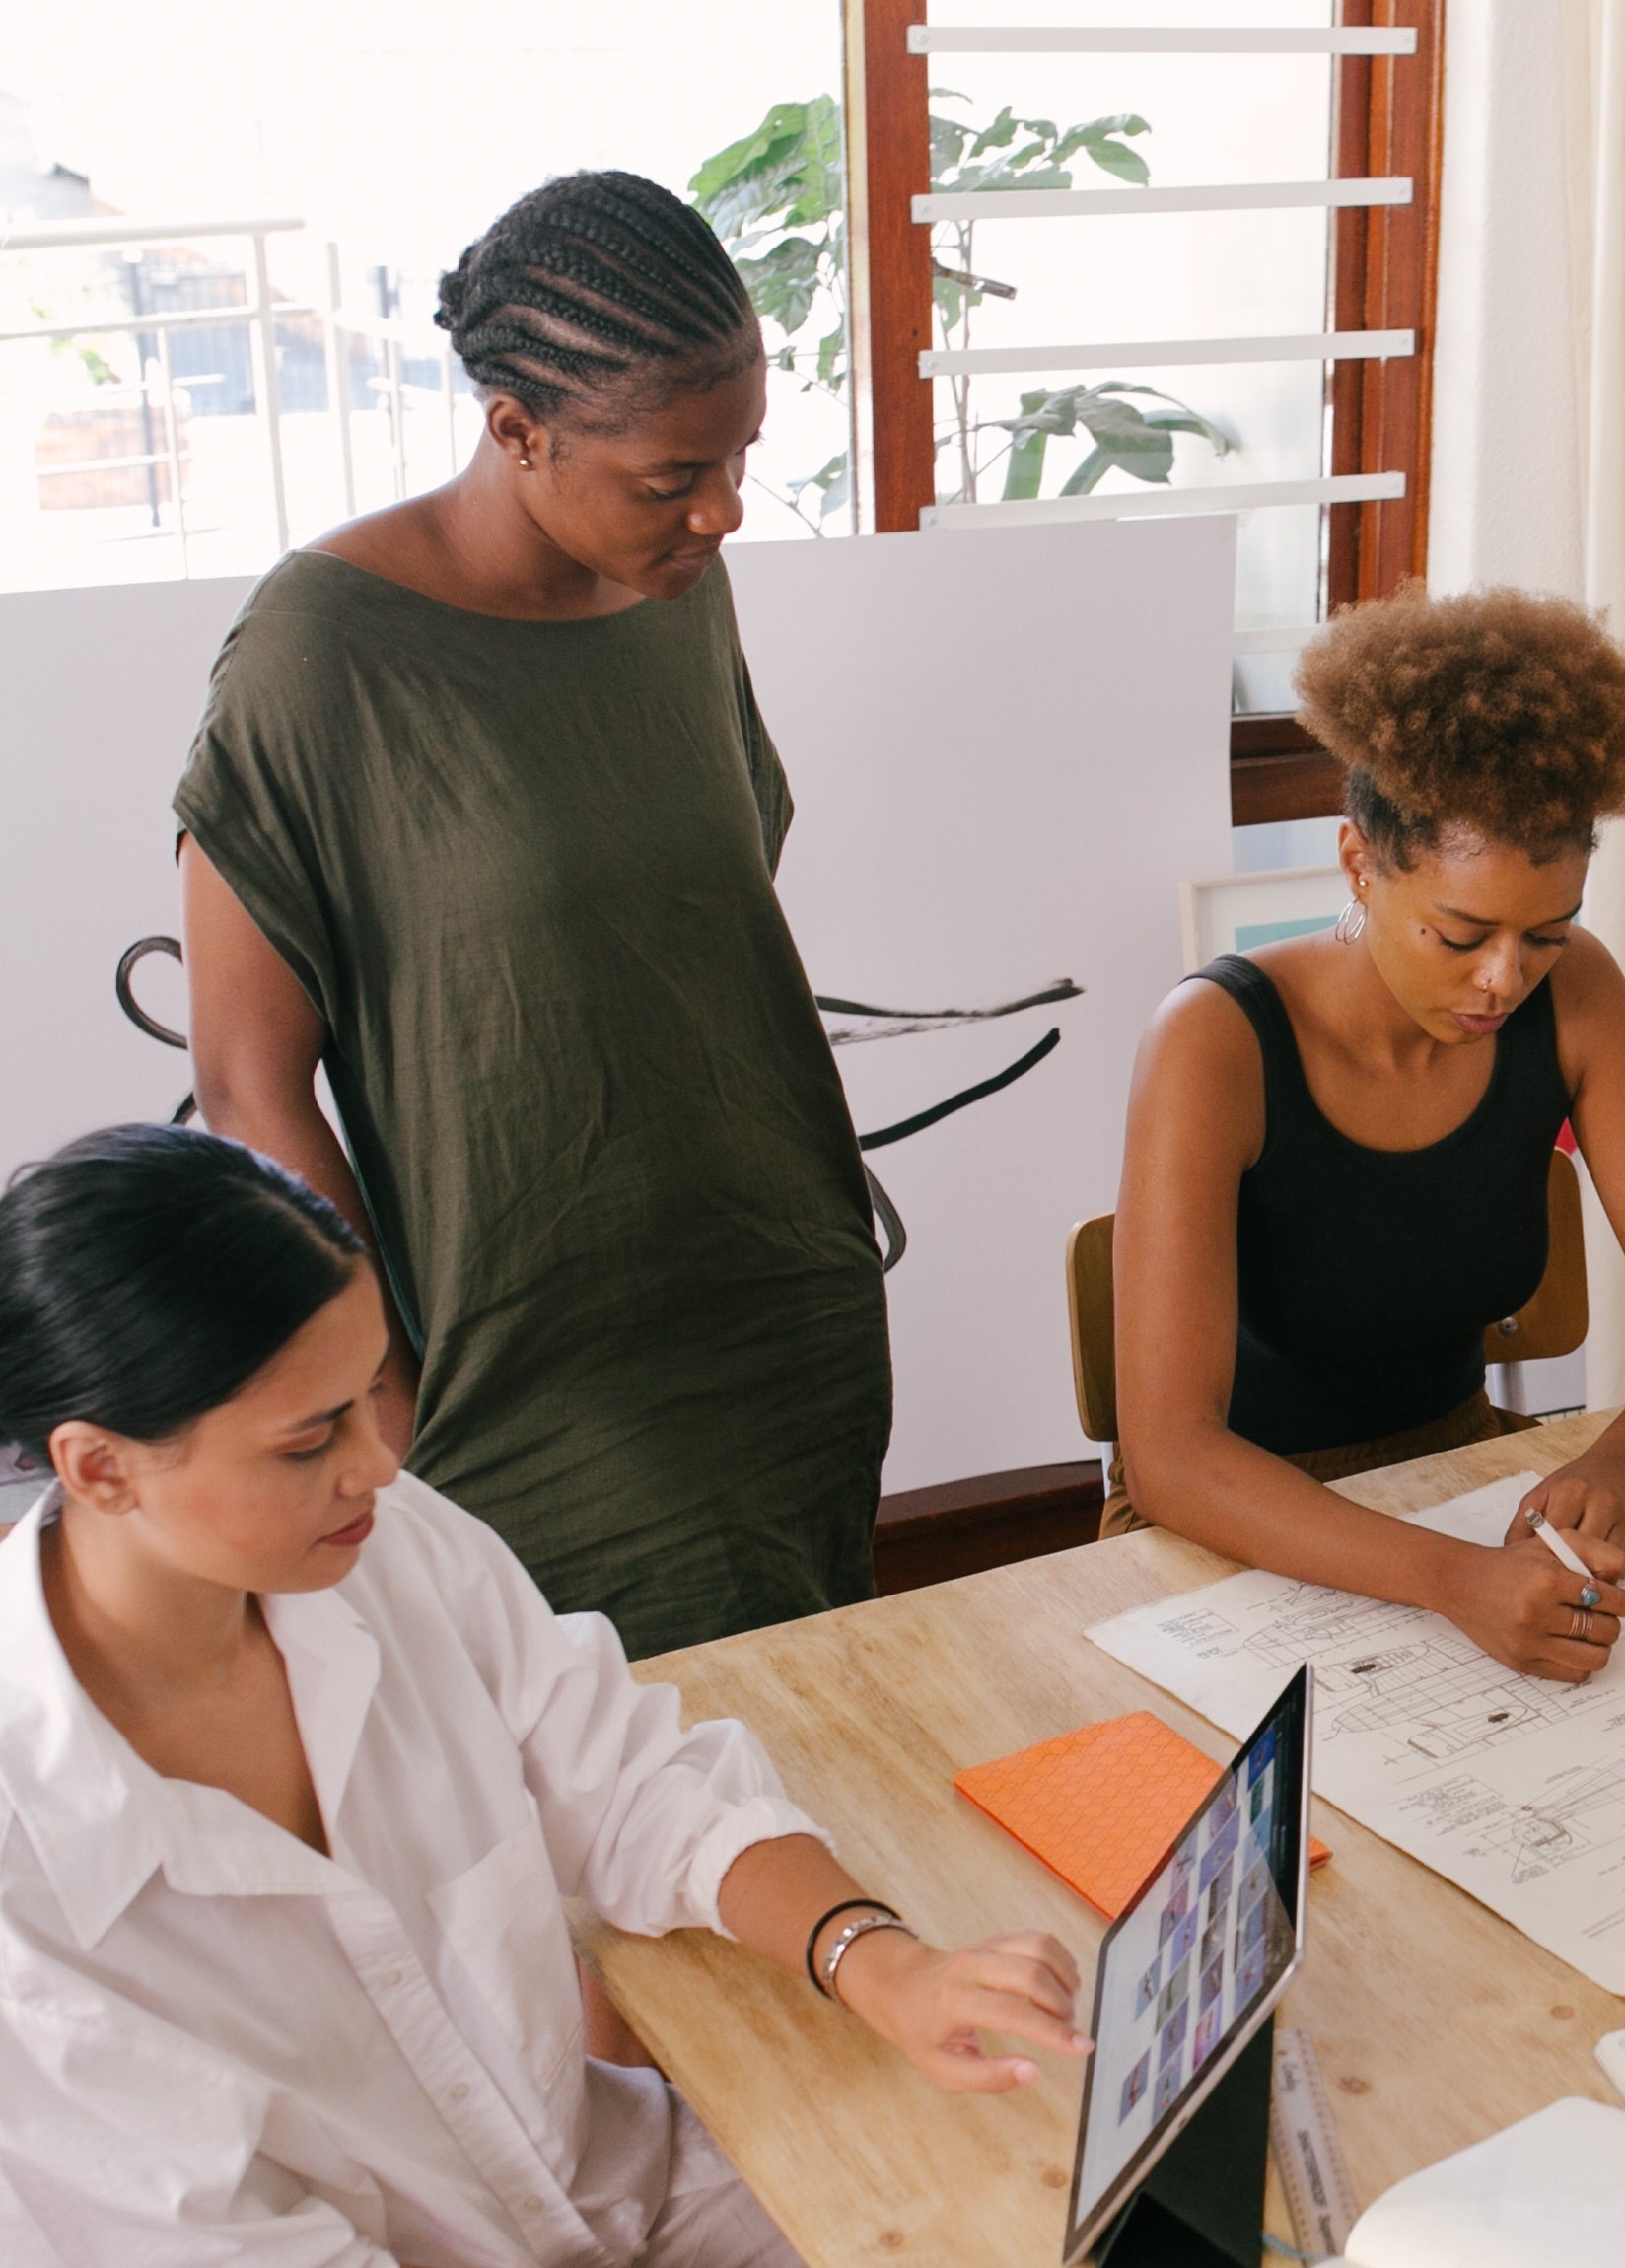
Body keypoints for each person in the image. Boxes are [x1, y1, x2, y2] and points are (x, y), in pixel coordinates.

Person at [0, 1125, 1082, 2266]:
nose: (376, 1463)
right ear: (99, 1467)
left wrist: (879, 1957)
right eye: (310, 1438)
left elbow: (627, 1781)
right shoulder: (30, 1872)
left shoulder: (381, 1540)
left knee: (1046, 2193)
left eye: (370, 1394)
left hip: (633, 2193)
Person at [176, 172, 889, 1658]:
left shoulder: (679, 585)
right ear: (517, 429)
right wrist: (373, 1383)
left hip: (779, 1302)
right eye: (669, 476)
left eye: (741, 455)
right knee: (596, 1795)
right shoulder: (320, 655)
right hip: (527, 1362)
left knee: (806, 1745)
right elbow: (248, 1079)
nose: (721, 508)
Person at [1109, 587, 1625, 1682]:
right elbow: (1172, 1457)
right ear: (1360, 863)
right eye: (1461, 934)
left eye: (1545, 934)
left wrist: (1621, 1460)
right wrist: (1454, 1579)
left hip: (1459, 1483)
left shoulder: (1577, 997)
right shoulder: (1214, 1040)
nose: (1504, 978)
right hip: (1234, 1530)